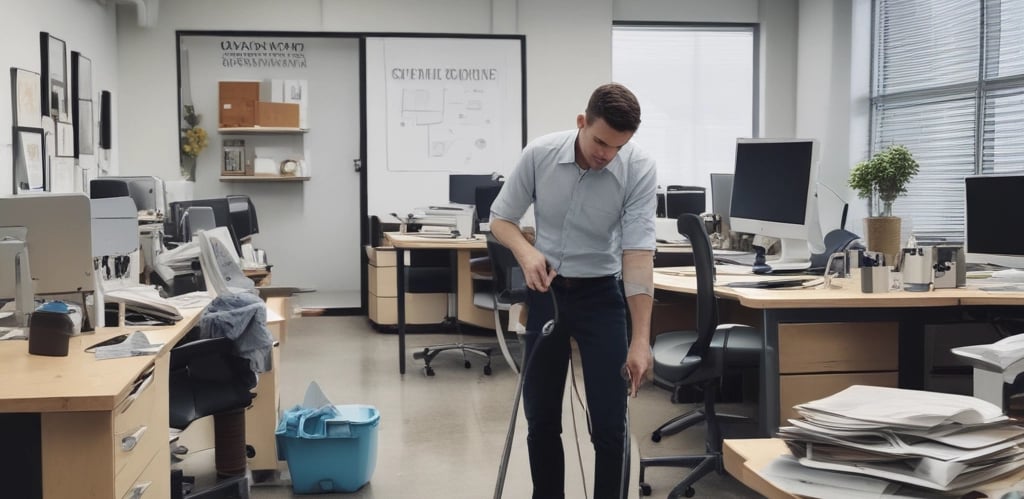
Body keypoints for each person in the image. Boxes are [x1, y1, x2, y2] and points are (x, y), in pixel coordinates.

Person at [489, 83, 657, 498]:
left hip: (602, 297)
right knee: (542, 418)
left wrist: (640, 341)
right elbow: (500, 219)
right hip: (546, 292)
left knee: (609, 422)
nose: (605, 154)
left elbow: (637, 256)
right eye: (600, 141)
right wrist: (527, 254)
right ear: (582, 122)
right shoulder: (540, 155)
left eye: (617, 147)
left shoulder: (638, 167)